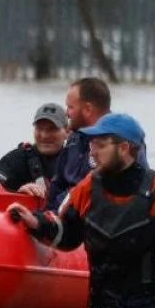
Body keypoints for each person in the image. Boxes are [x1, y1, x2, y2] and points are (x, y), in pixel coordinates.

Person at [8, 113, 155, 308]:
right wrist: (35, 222)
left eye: (100, 145)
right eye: (91, 145)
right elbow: (67, 232)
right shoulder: (87, 188)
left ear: (123, 148)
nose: (92, 152)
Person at [45, 77, 114, 210]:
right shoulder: (74, 140)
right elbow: (58, 185)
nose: (66, 113)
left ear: (87, 109)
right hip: (63, 214)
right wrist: (44, 217)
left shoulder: (119, 143)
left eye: (70, 107)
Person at [0, 102, 68, 198]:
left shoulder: (74, 162)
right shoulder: (16, 159)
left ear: (67, 131)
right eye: (39, 128)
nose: (44, 135)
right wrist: (17, 194)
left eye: (52, 129)